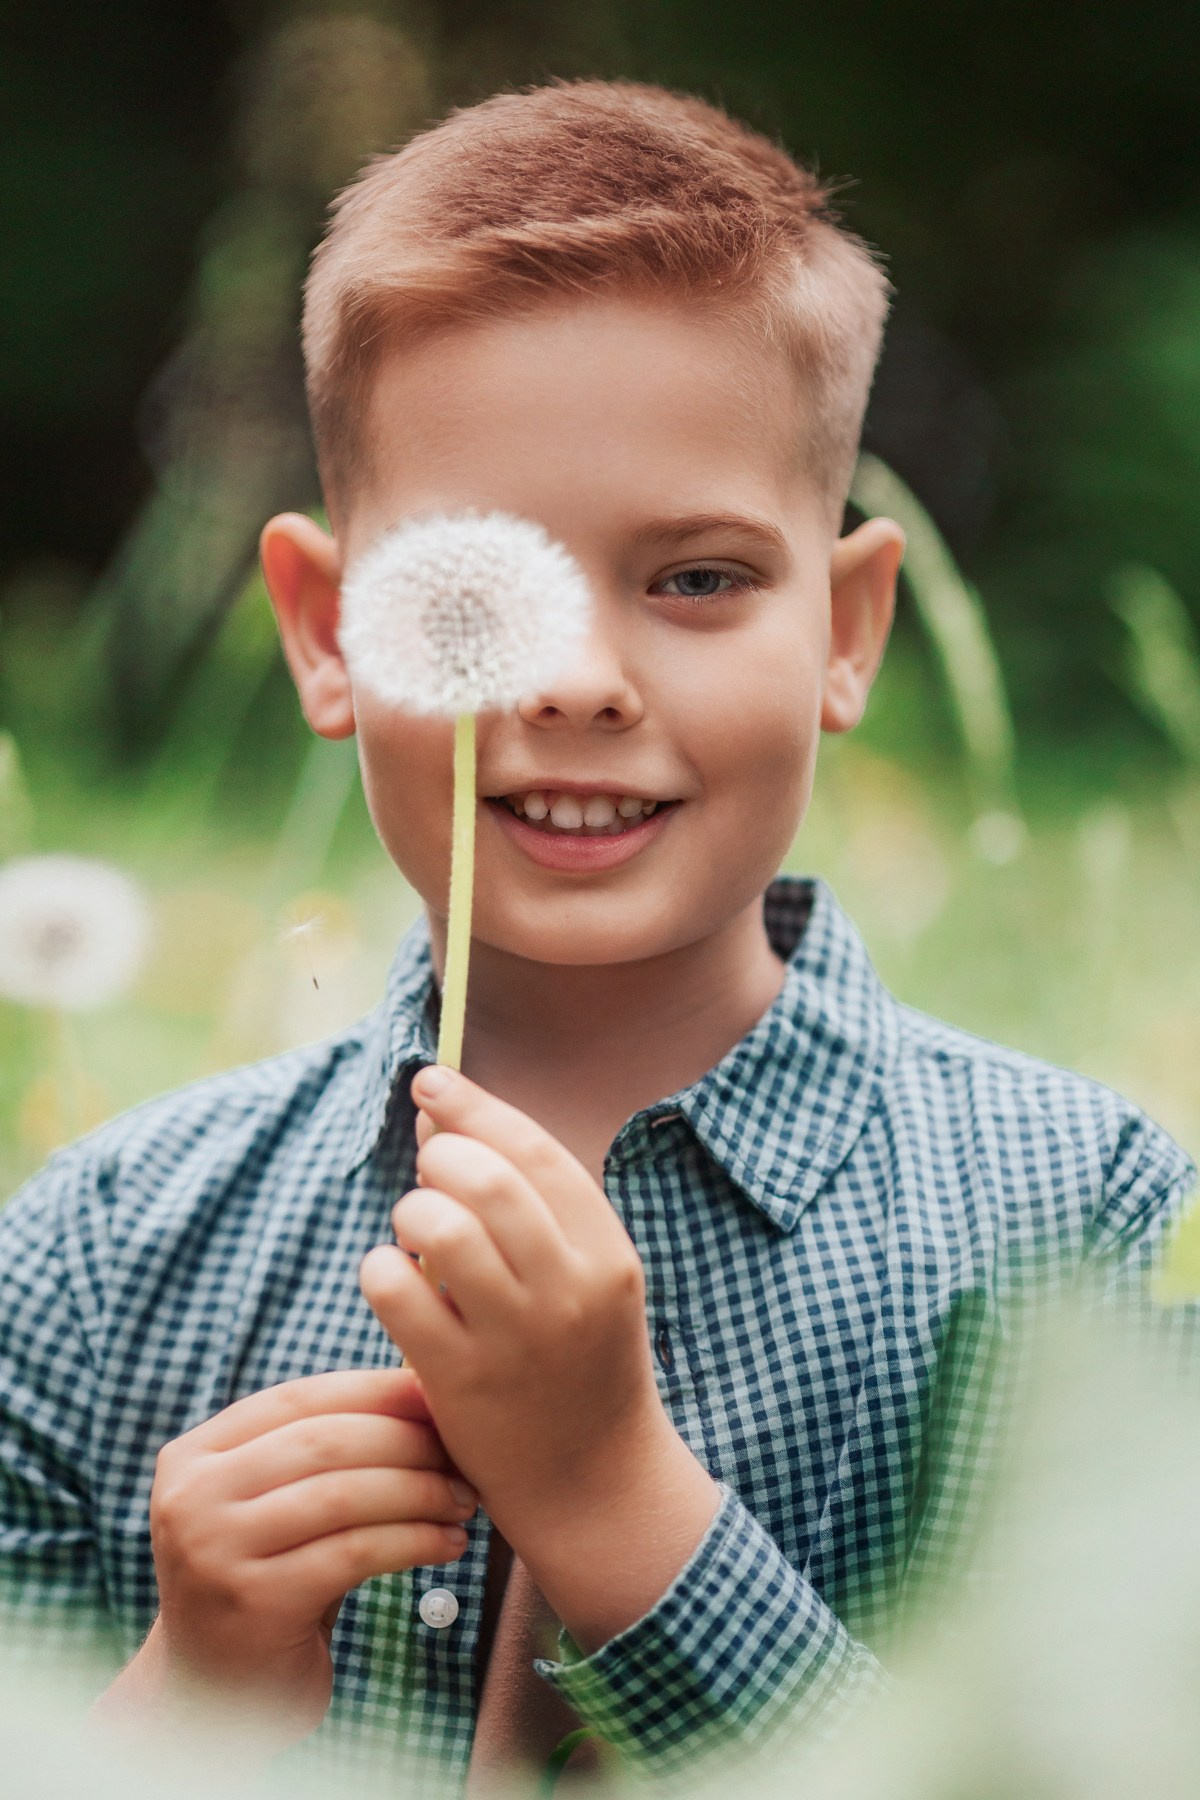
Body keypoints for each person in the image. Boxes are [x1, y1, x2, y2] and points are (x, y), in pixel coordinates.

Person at [1, 78, 1195, 1800]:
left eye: (697, 578)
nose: (572, 676)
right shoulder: (98, 1256)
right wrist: (196, 1700)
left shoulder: (1082, 1235)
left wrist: (616, 1500)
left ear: (849, 627)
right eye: (479, 587)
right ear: (329, 635)